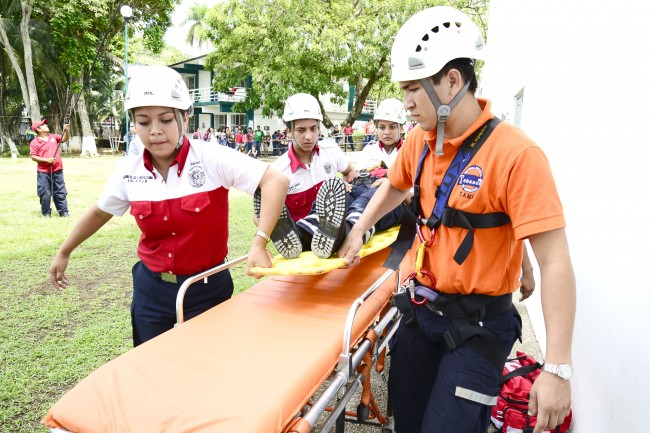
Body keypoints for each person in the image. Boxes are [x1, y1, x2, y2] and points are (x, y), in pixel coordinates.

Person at [338, 6, 575, 433]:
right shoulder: (421, 142)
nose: (405, 103)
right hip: (424, 311)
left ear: (451, 81)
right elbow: (395, 184)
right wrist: (359, 228)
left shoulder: (516, 155)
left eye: (413, 89)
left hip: (481, 327)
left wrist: (558, 368)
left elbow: (556, 259)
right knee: (407, 423)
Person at [48, 65, 288, 347]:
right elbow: (101, 211)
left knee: (208, 369)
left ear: (184, 117)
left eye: (165, 119)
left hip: (207, 289)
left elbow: (275, 181)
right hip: (151, 291)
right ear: (133, 124)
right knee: (153, 370)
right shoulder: (129, 169)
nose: (155, 131)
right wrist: (65, 250)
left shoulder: (212, 158)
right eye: (143, 122)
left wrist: (259, 242)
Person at [29, 119, 70, 217]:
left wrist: (67, 130)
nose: (46, 125)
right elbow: (33, 157)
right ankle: (46, 213)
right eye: (43, 125)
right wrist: (46, 160)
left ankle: (64, 212)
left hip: (57, 170)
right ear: (38, 129)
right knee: (45, 193)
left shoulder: (53, 137)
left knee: (60, 191)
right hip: (43, 172)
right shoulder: (35, 142)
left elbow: (64, 139)